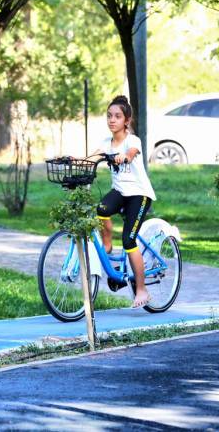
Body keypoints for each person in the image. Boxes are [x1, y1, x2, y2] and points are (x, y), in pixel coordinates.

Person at [92, 95, 156, 309]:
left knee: (129, 241)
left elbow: (131, 152)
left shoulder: (132, 140)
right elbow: (93, 158)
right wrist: (76, 161)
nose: (112, 120)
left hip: (139, 194)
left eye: (117, 116)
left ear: (126, 120)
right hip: (120, 191)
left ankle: (141, 289)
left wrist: (124, 157)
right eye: (109, 116)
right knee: (101, 209)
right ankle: (107, 245)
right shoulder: (105, 143)